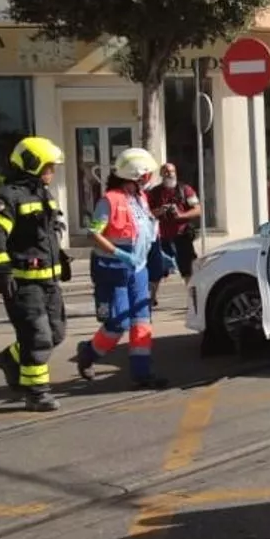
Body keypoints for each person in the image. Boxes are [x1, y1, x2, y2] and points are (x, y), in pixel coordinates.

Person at [0, 136, 71, 412]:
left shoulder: (44, 193)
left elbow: (49, 233)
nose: (51, 172)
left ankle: (10, 359)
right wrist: (1, 271)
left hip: (49, 280)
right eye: (48, 166)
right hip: (23, 282)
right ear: (32, 164)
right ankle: (37, 393)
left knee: (56, 333)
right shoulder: (7, 196)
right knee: (37, 338)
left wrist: (62, 258)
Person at [75, 147, 169, 389]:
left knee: (142, 320)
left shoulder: (140, 198)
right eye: (147, 175)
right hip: (112, 269)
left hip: (138, 269)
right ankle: (88, 354)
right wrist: (118, 253)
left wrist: (159, 254)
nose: (149, 179)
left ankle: (142, 373)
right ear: (136, 176)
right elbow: (93, 233)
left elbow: (145, 229)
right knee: (118, 323)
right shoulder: (109, 200)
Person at [145, 162, 202, 301]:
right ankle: (151, 299)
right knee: (156, 270)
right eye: (165, 172)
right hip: (162, 236)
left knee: (188, 269)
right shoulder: (155, 192)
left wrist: (181, 215)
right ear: (161, 175)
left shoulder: (185, 189)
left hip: (182, 235)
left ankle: (193, 299)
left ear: (176, 173)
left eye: (171, 171)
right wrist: (160, 211)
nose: (168, 174)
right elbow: (146, 212)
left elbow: (198, 210)